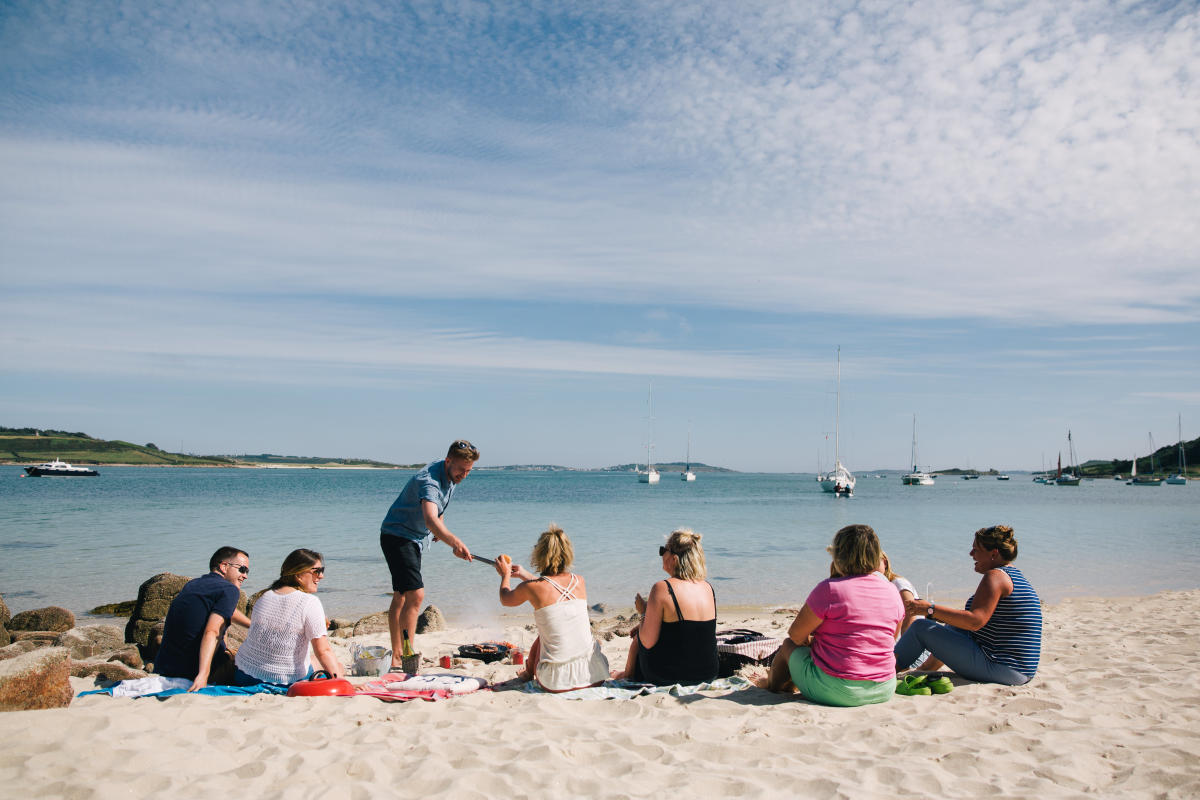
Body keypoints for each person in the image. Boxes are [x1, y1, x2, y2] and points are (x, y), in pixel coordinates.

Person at [766, 525, 903, 706]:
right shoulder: (892, 590)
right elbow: (889, 639)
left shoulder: (830, 589)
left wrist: (815, 641)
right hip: (884, 687)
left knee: (788, 645)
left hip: (839, 690)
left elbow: (796, 635)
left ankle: (770, 687)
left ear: (839, 556)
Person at [894, 524, 1042, 686]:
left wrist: (929, 609)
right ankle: (925, 668)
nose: (971, 554)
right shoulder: (1012, 575)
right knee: (953, 628)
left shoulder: (995, 577)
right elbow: (969, 623)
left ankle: (883, 672)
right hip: (1018, 670)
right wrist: (933, 613)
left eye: (976, 550)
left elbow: (975, 622)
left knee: (920, 628)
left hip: (1005, 669)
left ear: (994, 553)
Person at [379, 439, 480, 669]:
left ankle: (398, 654)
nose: (464, 475)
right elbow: (429, 518)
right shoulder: (430, 481)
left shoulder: (450, 471)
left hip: (413, 538)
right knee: (416, 596)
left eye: (468, 471)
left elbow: (436, 512)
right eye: (461, 470)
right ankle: (407, 655)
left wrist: (439, 525)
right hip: (398, 536)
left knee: (401, 595)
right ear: (448, 461)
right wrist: (453, 540)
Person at [492, 525, 609, 691]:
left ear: (539, 554)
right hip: (595, 674)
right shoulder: (579, 581)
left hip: (556, 681)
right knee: (559, 626)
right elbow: (552, 593)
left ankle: (528, 673)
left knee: (544, 635)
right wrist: (525, 575)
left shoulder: (532, 588)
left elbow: (506, 598)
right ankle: (528, 672)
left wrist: (505, 576)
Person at [613, 528, 719, 685]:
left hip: (669, 675)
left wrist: (643, 613)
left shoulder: (662, 588)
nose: (661, 555)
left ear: (674, 559)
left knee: (638, 640)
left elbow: (648, 643)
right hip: (708, 672)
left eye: (663, 550)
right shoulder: (707, 587)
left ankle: (626, 675)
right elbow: (690, 631)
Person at [234, 549, 343, 685]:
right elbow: (323, 651)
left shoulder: (265, 595)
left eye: (322, 570)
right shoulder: (309, 602)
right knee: (337, 666)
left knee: (313, 659)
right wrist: (341, 683)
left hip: (244, 673)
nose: (321, 576)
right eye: (316, 571)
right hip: (284, 679)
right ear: (298, 575)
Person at [154, 546, 253, 692]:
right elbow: (212, 632)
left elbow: (225, 610)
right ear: (224, 566)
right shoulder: (229, 589)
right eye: (242, 569)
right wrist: (203, 675)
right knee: (254, 659)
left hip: (167, 668)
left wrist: (253, 624)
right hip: (193, 673)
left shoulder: (193, 585)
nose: (245, 576)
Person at [880, 552, 921, 634]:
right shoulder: (881, 586)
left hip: (912, 636)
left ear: (885, 563)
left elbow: (911, 613)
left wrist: (903, 644)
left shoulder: (898, 583)